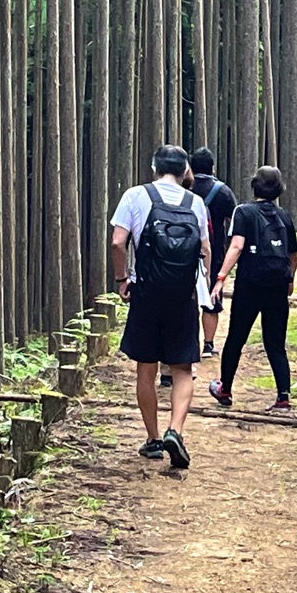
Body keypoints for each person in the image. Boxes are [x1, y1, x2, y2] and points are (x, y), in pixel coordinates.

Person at [111, 144, 210, 470]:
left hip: (146, 292)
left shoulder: (135, 195)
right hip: (182, 296)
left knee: (146, 366)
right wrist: (201, 285)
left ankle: (153, 439)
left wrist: (122, 278)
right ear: (185, 172)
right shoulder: (195, 202)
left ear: (154, 168)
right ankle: (175, 430)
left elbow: (117, 241)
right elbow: (205, 250)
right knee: (182, 369)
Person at [208, 166, 297, 414]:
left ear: (254, 185)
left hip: (249, 285)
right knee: (275, 343)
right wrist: (289, 280)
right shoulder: (284, 216)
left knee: (236, 337)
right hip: (277, 287)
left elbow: (236, 247)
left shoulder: (244, 212)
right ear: (279, 188)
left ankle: (225, 388)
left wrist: (221, 277)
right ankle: (283, 395)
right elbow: (293, 255)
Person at [190, 147, 237, 358]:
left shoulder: (185, 188)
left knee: (186, 297)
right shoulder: (223, 191)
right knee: (212, 297)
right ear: (212, 167)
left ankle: (188, 342)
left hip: (183, 252)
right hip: (214, 252)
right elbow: (235, 222)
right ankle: (208, 344)